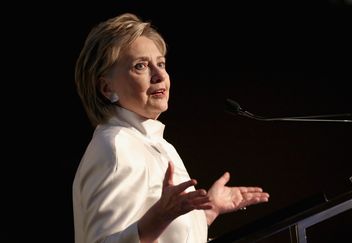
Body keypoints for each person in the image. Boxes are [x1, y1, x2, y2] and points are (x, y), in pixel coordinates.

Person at [72, 12, 270, 243]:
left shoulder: (155, 143)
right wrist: (160, 216)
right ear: (106, 88)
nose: (159, 76)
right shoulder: (116, 147)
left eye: (161, 64)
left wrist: (207, 212)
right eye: (141, 66)